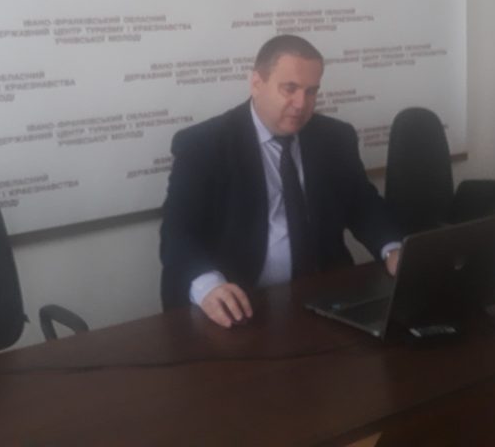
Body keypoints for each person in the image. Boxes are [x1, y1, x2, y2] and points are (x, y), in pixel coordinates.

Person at [159, 34, 402, 328]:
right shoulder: (204, 145)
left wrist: (393, 248)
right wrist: (209, 286)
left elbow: (362, 205)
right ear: (256, 83)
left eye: (311, 91)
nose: (301, 103)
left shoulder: (335, 137)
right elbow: (177, 234)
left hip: (323, 294)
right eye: (290, 88)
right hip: (242, 302)